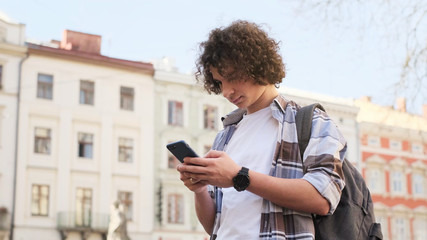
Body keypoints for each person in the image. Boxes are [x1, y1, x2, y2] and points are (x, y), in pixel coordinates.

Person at [176, 20, 347, 240]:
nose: (226, 91)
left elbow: (322, 198)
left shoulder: (310, 121)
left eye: (233, 77)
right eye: (220, 82)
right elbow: (215, 227)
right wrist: (200, 190)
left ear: (257, 65)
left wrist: (240, 177)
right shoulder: (225, 136)